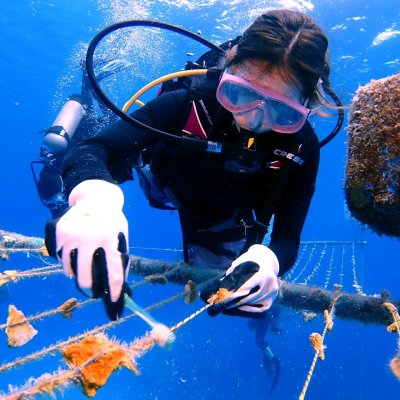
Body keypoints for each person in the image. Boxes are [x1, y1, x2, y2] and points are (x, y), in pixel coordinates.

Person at [45, 9, 338, 327]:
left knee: (222, 294)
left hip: (218, 217)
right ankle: (88, 103)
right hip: (164, 182)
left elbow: (287, 237)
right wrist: (94, 199)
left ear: (306, 108)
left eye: (281, 110)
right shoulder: (190, 102)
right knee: (68, 163)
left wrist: (270, 259)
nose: (252, 121)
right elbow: (96, 151)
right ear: (227, 73)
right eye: (241, 94)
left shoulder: (301, 148)